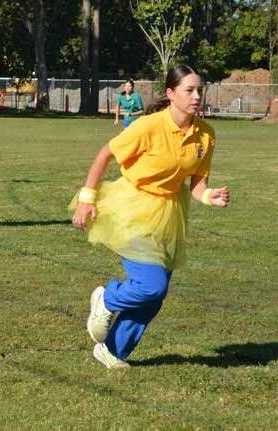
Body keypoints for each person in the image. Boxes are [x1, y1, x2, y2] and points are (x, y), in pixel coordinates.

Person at [70, 64, 229, 369]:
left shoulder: (206, 135)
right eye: (189, 90)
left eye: (200, 90)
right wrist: (87, 199)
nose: (197, 96)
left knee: (155, 296)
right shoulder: (148, 126)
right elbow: (105, 154)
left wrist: (210, 196)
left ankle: (113, 351)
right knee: (151, 286)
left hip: (170, 213)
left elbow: (197, 184)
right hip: (134, 208)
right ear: (171, 93)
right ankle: (107, 298)